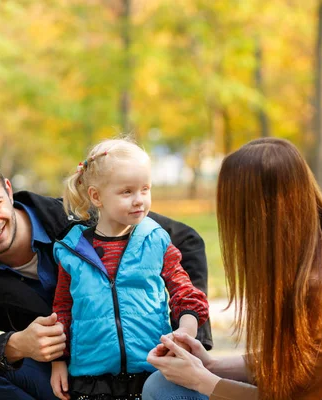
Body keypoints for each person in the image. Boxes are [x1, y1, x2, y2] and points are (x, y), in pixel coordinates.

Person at [143, 137, 322, 400]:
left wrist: (201, 380)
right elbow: (297, 363)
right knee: (164, 382)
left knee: (165, 390)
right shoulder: (321, 241)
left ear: (255, 211)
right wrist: (211, 364)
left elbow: (297, 396)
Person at [0, 146, 213, 399]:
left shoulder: (80, 216)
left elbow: (185, 241)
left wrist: (188, 338)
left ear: (7, 189)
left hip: (144, 361)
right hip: (68, 378)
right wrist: (15, 346)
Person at [49, 139, 209, 400]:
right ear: (96, 196)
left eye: (145, 189)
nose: (139, 200)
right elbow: (62, 310)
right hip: (92, 379)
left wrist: (185, 332)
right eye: (127, 192)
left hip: (151, 370)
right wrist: (58, 361)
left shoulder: (155, 241)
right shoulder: (72, 251)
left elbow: (185, 293)